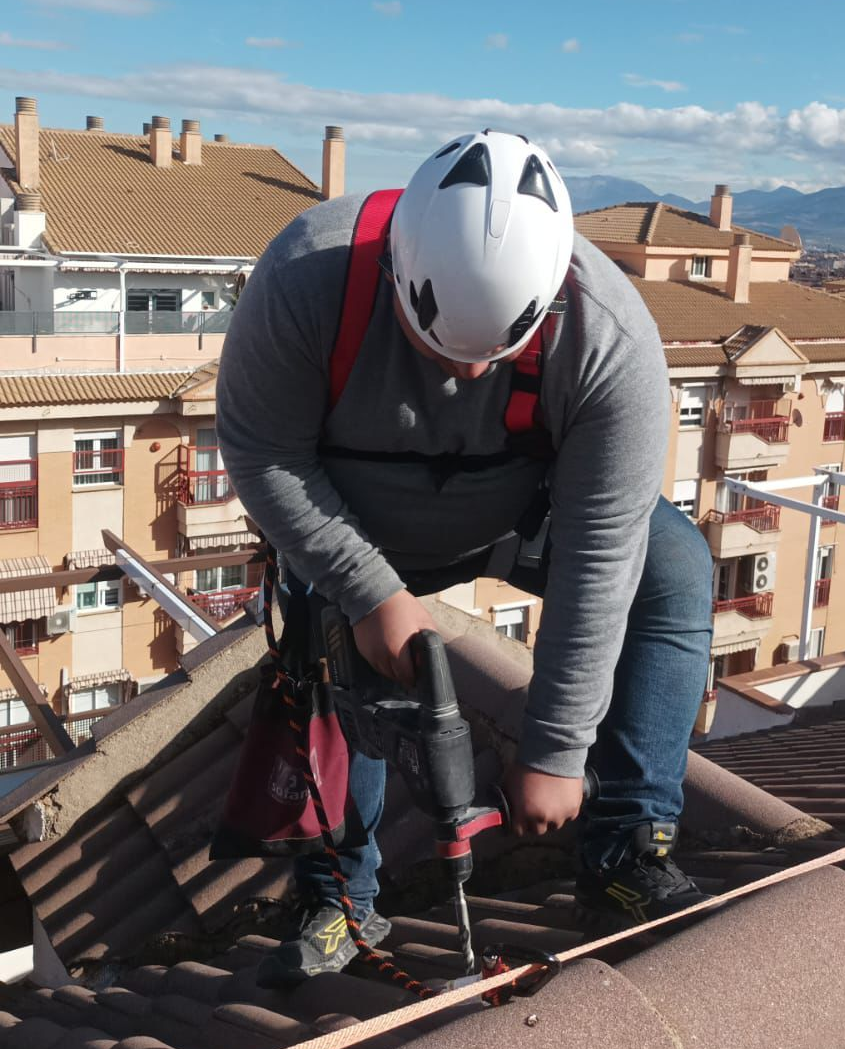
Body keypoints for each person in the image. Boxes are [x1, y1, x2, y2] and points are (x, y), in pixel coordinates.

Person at [216, 129, 713, 987]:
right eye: (437, 345)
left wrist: (556, 750)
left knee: (671, 566)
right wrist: (372, 594)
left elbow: (601, 542)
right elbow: (263, 454)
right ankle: (338, 889)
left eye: (492, 354)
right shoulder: (305, 277)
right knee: (323, 632)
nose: (465, 372)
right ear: (401, 263)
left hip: (515, 517)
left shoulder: (609, 336)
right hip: (355, 523)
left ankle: (625, 847)